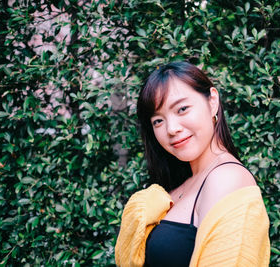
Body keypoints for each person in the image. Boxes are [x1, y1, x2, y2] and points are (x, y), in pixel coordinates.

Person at [115, 62, 270, 267]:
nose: (171, 129)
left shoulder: (226, 178)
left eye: (182, 109)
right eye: (158, 121)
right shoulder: (181, 185)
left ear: (212, 101)